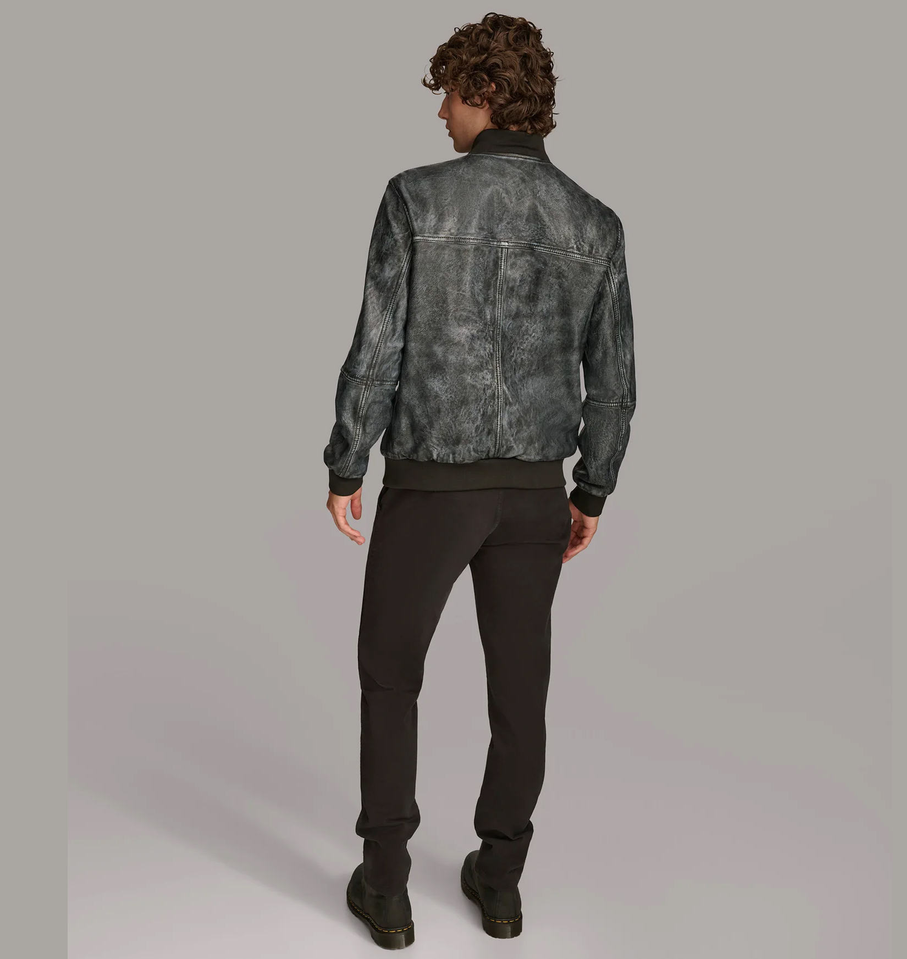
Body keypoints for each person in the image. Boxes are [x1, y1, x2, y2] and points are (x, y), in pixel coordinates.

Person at [326, 13, 637, 949]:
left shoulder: (415, 198)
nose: (441, 116)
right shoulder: (595, 223)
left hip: (433, 484)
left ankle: (386, 886)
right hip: (535, 495)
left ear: (485, 93)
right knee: (520, 689)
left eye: (450, 96)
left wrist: (346, 460)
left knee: (390, 675)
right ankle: (500, 884)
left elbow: (377, 348)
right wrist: (590, 490)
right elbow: (614, 382)